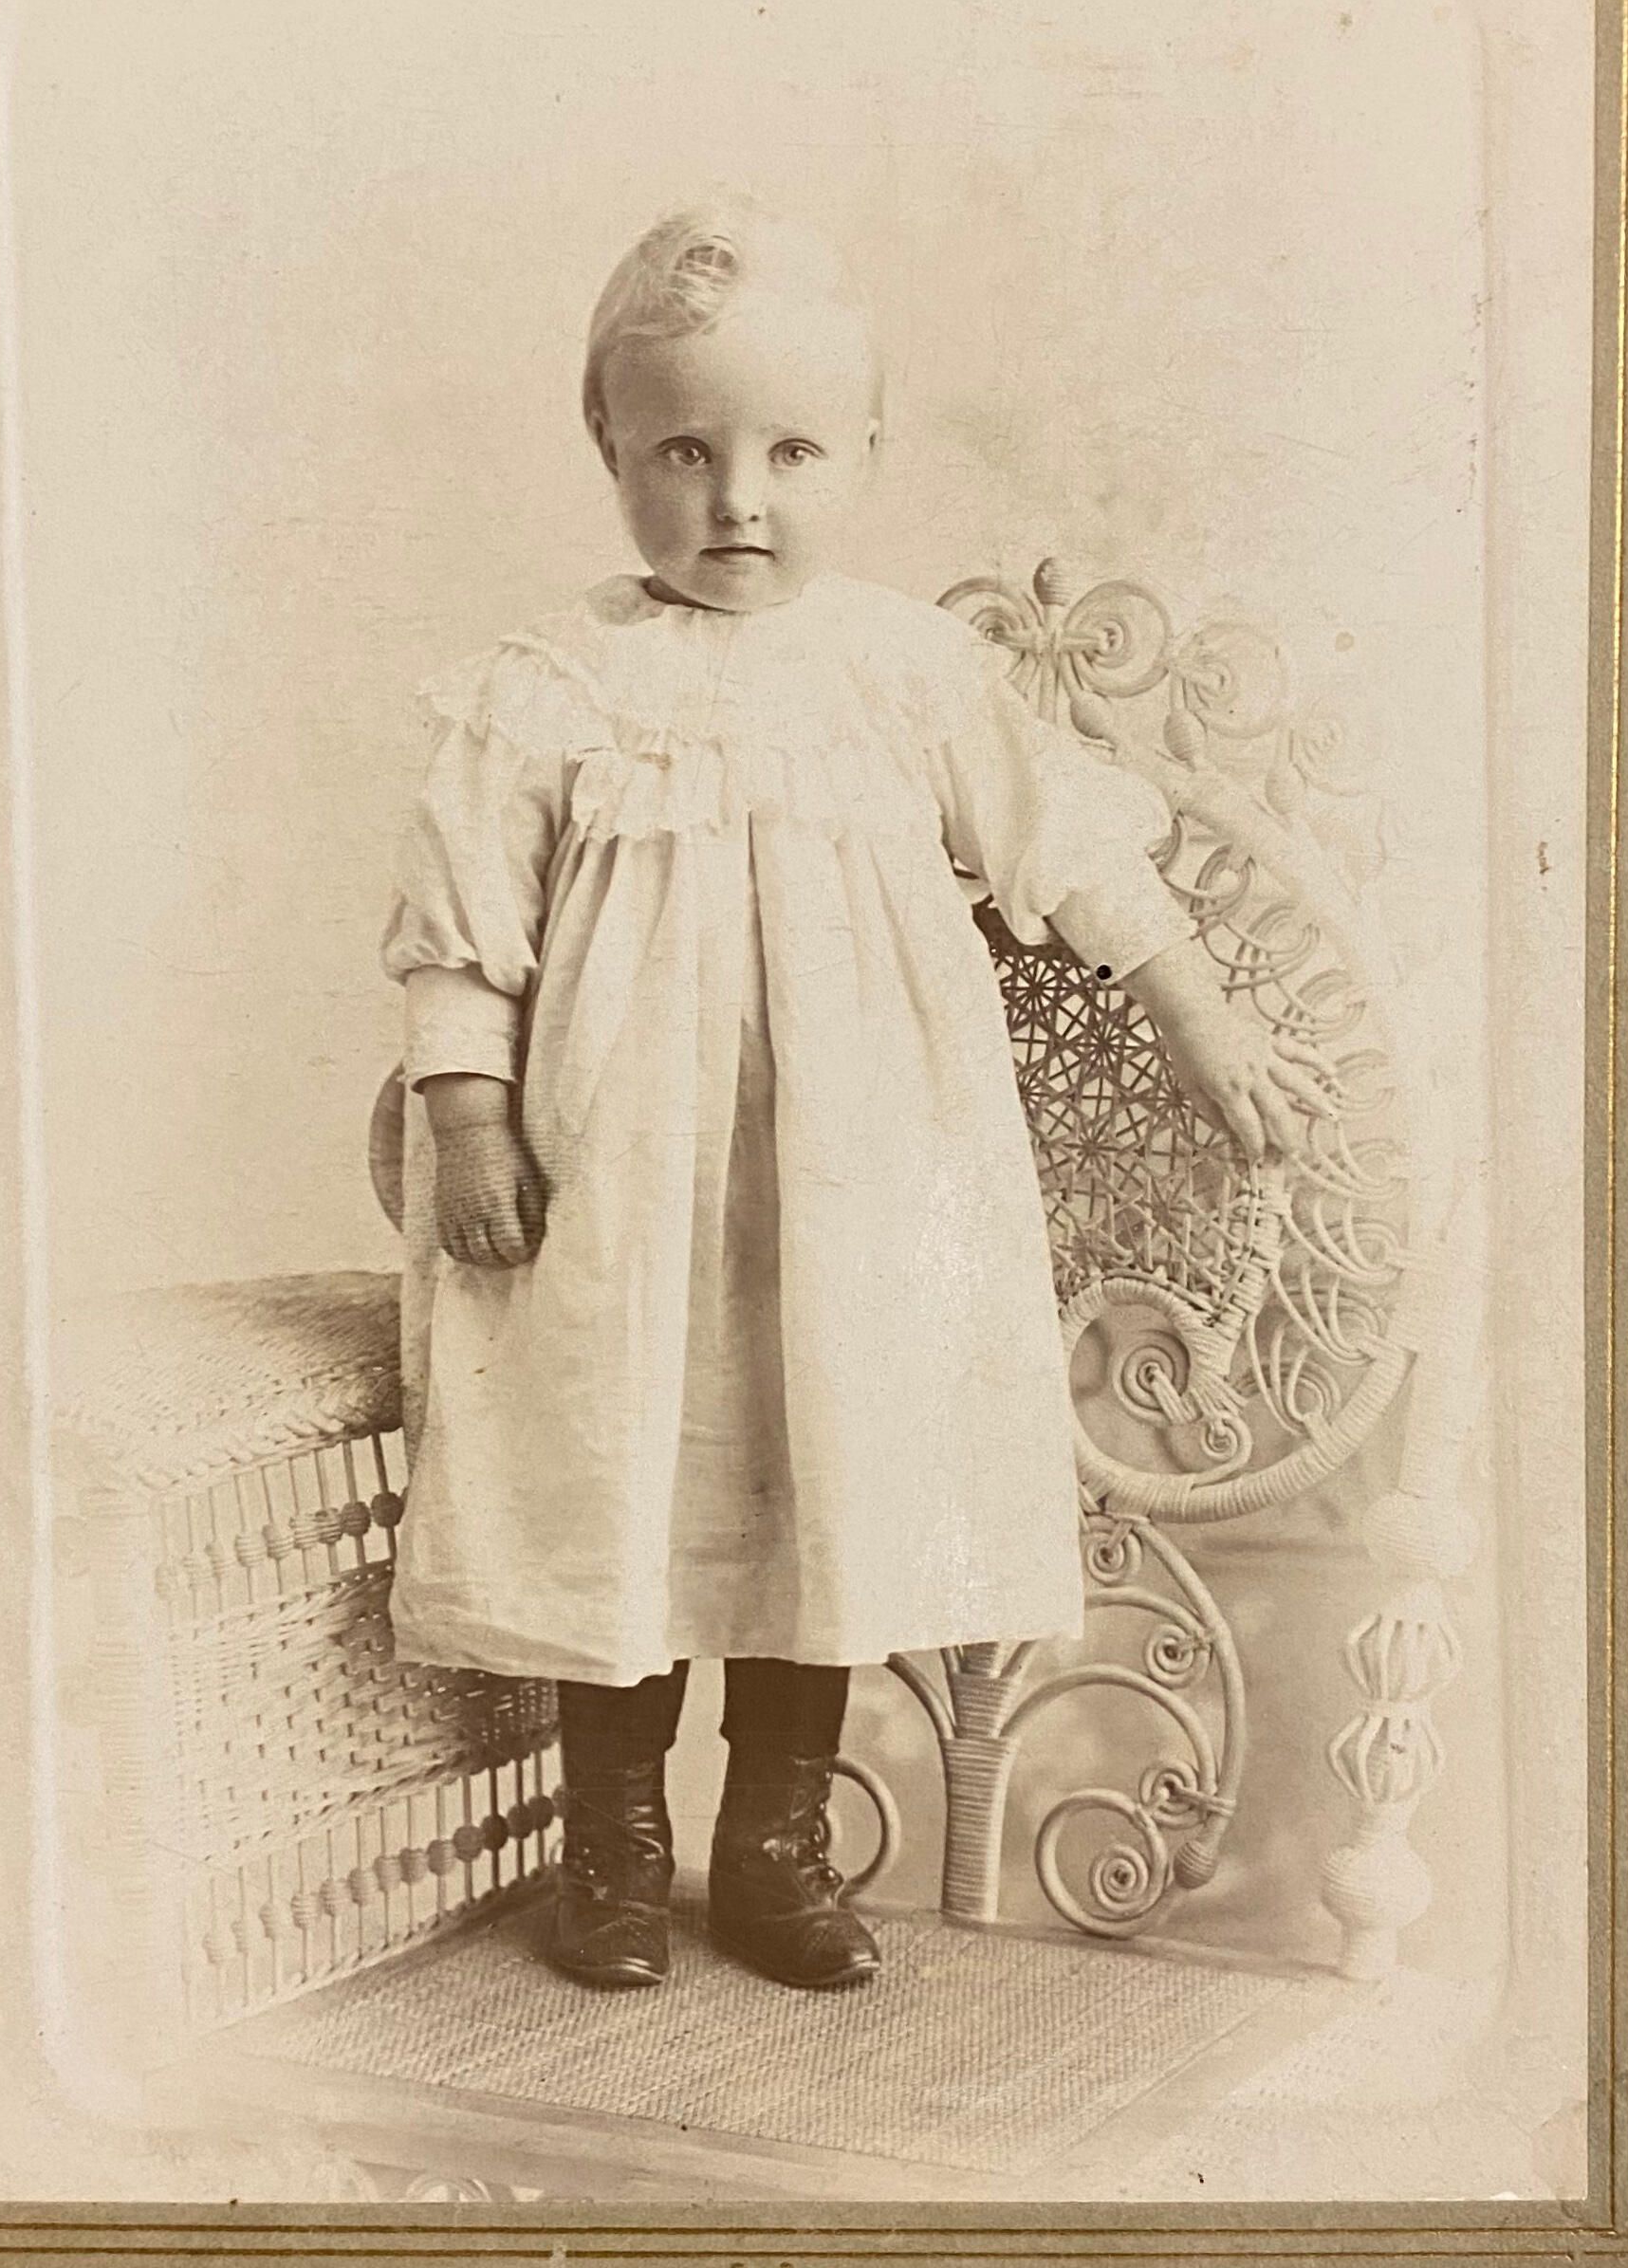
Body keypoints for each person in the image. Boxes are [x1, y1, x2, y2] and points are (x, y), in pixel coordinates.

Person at [380, 194, 1334, 1998]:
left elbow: (1070, 852)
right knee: (617, 1475)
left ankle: (774, 1843)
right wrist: (469, 1117)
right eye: (685, 450)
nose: (739, 499)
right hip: (624, 1192)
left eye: (794, 452)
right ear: (607, 447)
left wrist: (1198, 1013)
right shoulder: (552, 684)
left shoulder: (909, 670)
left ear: (872, 451)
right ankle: (613, 1844)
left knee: (824, 1475)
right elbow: (461, 933)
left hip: (856, 1182)